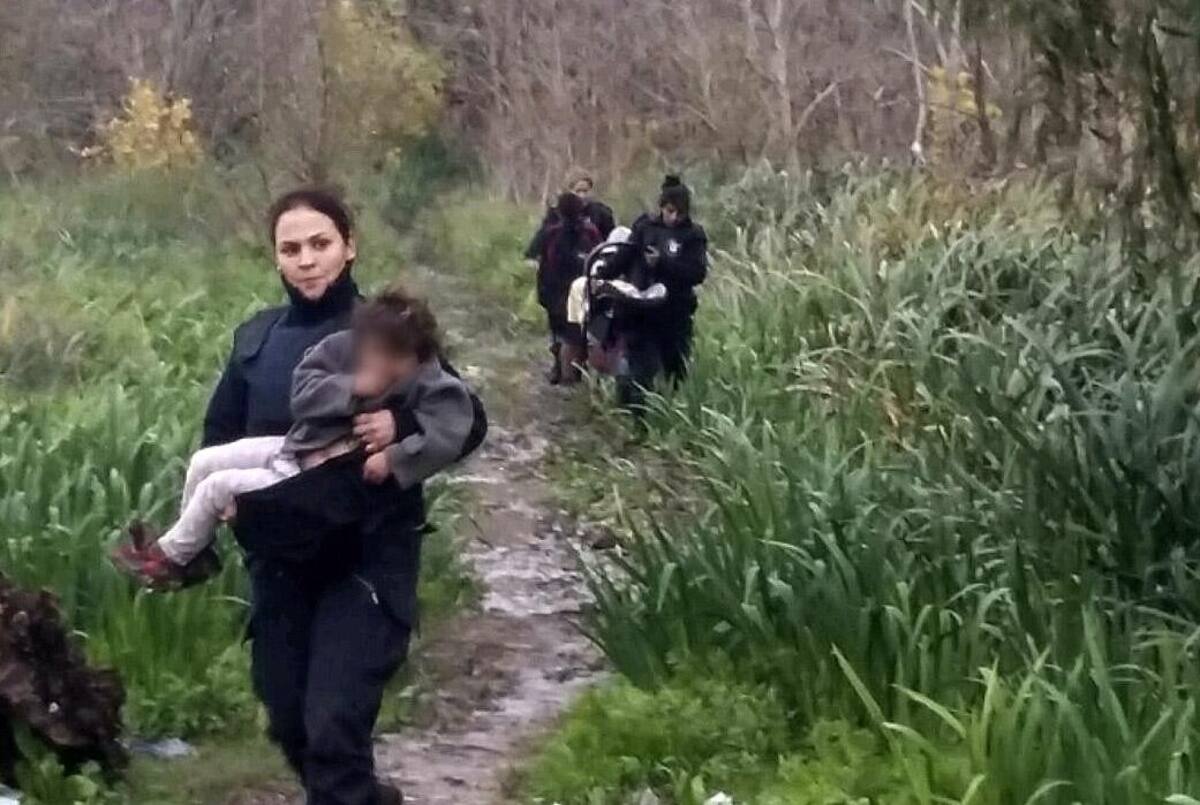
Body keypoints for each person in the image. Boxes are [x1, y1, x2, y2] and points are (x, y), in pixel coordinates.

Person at [157, 187, 483, 805]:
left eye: (320, 244)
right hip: (280, 559)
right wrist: (224, 502)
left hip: (366, 558)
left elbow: (466, 419)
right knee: (289, 719)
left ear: (349, 247)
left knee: (333, 728)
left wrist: (400, 429)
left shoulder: (388, 331)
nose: (306, 259)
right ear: (276, 259)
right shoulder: (255, 339)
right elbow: (220, 432)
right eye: (291, 248)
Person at [110, 287, 474, 591]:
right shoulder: (343, 350)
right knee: (204, 462)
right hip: (294, 445)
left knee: (217, 488)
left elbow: (451, 429)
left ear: (420, 355)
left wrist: (396, 453)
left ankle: (171, 557)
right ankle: (195, 551)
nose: (381, 363)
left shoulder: (430, 383)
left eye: (395, 356)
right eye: (374, 351)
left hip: (311, 474)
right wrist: (351, 388)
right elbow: (302, 392)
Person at [615, 175, 709, 409]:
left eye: (680, 213)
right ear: (661, 208)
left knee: (676, 368)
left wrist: (663, 263)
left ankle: (671, 413)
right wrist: (602, 275)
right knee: (640, 368)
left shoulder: (693, 235)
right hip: (642, 310)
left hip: (675, 312)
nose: (674, 218)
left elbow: (697, 273)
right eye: (669, 211)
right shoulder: (645, 227)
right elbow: (625, 256)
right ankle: (635, 416)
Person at [535, 191, 601, 384]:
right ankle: (574, 374)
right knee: (577, 334)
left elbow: (541, 263)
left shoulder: (551, 232)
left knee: (561, 336)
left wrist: (543, 294)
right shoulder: (590, 231)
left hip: (558, 291)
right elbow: (599, 258)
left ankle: (564, 375)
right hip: (581, 291)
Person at [524, 167, 616, 265]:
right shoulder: (557, 212)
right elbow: (543, 234)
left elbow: (610, 239)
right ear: (570, 191)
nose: (582, 196)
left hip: (592, 261)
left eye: (585, 191)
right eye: (578, 191)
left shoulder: (601, 212)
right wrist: (532, 256)